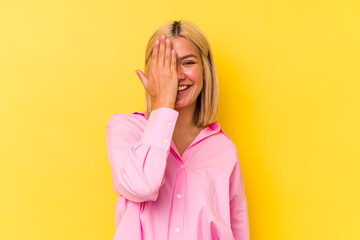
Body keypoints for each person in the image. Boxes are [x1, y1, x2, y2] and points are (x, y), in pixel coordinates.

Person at [106, 20, 250, 240]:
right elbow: (142, 186)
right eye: (166, 65)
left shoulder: (224, 150)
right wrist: (163, 101)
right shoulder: (125, 130)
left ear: (205, 70)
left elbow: (239, 233)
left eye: (188, 62)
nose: (177, 76)